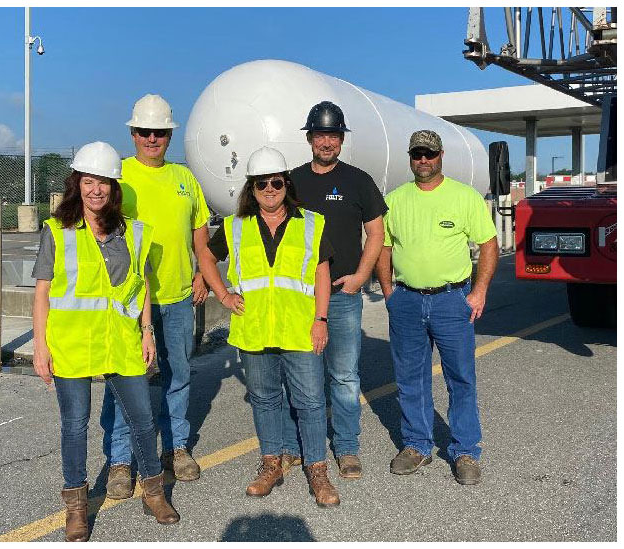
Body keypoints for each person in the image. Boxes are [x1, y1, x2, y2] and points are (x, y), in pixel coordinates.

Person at [32, 142, 180, 541]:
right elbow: (43, 291)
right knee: (75, 425)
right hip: (72, 343)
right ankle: (77, 508)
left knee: (143, 420)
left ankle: (153, 491)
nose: (96, 190)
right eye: (88, 181)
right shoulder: (57, 232)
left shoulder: (133, 232)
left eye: (104, 183)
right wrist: (40, 346)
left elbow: (141, 287)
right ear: (77, 184)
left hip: (122, 342)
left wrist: (147, 331)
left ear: (115, 188)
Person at [198, 147, 341, 508]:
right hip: (254, 330)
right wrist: (223, 295)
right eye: (262, 184)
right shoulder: (235, 226)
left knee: (309, 402)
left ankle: (317, 471)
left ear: (286, 183)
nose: (270, 189)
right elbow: (206, 257)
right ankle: (271, 463)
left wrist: (321, 319)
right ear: (252, 187)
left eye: (276, 182)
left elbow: (322, 275)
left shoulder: (311, 222)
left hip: (300, 329)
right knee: (264, 400)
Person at [100, 94, 210, 497]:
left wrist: (203, 274)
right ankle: (120, 460)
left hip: (178, 296)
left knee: (177, 376)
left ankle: (176, 449)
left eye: (159, 133)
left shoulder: (185, 179)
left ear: (169, 136)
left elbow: (201, 235)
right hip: (129, 302)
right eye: (144, 132)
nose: (152, 139)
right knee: (125, 382)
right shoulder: (120, 179)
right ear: (133, 134)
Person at [374, 129, 498, 486]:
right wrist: (389, 291)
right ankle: (417, 444)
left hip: (451, 301)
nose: (423, 160)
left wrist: (479, 292)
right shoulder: (395, 200)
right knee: (410, 377)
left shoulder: (464, 197)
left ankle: (465, 450)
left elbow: (489, 244)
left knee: (460, 377)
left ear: (440, 155)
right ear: (410, 157)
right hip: (408, 301)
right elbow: (384, 247)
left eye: (429, 154)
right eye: (417, 154)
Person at [281, 101, 386, 479]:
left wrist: (361, 275)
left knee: (343, 376)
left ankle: (346, 447)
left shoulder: (359, 181)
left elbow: (376, 233)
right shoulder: (290, 182)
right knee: (301, 376)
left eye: (334, 135)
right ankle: (296, 447)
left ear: (342, 139)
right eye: (321, 135)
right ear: (309, 138)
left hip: (342, 295)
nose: (327, 142)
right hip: (300, 296)